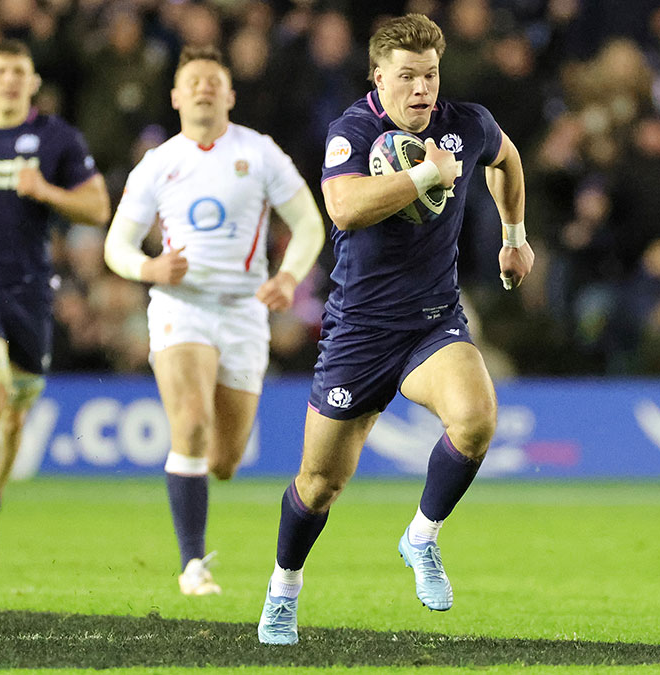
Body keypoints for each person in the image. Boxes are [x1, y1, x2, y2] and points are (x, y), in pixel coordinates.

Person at [256, 14, 534, 644]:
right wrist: (425, 176)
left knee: (477, 418)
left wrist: (514, 238)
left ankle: (421, 537)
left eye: (430, 75)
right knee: (319, 485)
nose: (420, 89)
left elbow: (507, 159)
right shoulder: (353, 130)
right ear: (378, 77)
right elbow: (345, 207)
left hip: (432, 322)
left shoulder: (465, 124)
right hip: (358, 334)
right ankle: (283, 589)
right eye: (406, 76)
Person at [105, 46, 324, 596]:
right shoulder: (158, 162)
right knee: (192, 420)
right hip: (183, 306)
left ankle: (197, 530)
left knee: (224, 460)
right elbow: (116, 245)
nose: (204, 88)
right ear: (177, 97)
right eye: (193, 81)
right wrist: (148, 266)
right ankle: (192, 565)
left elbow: (309, 225)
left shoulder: (260, 152)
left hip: (247, 312)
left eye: (214, 81)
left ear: (230, 94)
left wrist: (289, 278)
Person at [0, 40, 111, 566]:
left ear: (32, 84)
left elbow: (97, 206)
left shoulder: (57, 138)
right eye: (0, 71)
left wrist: (47, 192)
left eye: (20, 72)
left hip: (31, 288)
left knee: (13, 418)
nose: (9, 80)